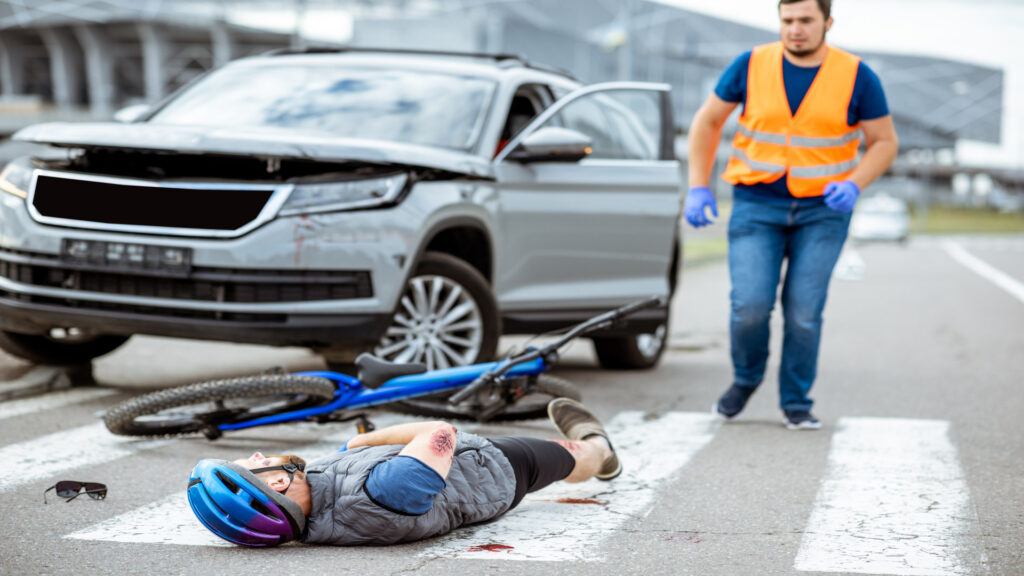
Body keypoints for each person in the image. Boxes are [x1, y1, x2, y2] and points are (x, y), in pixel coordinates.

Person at [685, 0, 898, 429]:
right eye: (787, 21)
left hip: (823, 212)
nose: (795, 29)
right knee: (749, 306)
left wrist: (855, 182)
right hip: (756, 205)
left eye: (805, 20)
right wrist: (697, 185)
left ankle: (796, 401)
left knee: (803, 311)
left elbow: (884, 142)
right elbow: (707, 122)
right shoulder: (750, 65)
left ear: (827, 23)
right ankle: (745, 381)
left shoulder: (857, 75)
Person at [186, 398, 620, 546]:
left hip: (468, 466)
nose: (260, 455)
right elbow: (440, 433)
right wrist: (360, 442)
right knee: (569, 456)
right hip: (497, 471)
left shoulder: (322, 506)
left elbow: (346, 473)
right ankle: (600, 448)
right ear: (278, 485)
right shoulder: (385, 492)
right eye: (255, 466)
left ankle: (592, 450)